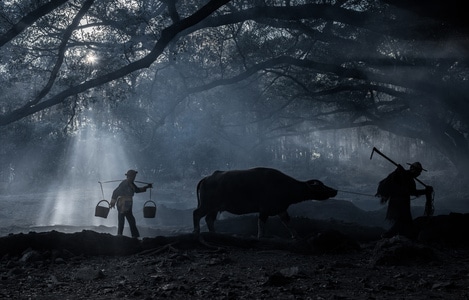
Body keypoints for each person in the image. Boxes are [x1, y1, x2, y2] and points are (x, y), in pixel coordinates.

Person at [376, 162, 433, 239]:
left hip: (402, 203)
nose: (419, 174)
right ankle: (387, 236)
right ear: (413, 170)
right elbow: (411, 191)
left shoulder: (407, 177)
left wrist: (425, 191)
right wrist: (425, 191)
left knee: (404, 222)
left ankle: (394, 236)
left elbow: (412, 192)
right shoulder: (403, 175)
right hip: (398, 203)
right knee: (403, 222)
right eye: (418, 172)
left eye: (419, 172)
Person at [110, 170, 152, 238]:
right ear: (129, 176)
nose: (134, 178)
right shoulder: (124, 183)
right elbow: (115, 192)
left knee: (131, 220)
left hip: (128, 204)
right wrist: (112, 203)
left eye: (134, 177)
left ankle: (134, 236)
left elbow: (137, 190)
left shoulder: (131, 183)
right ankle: (120, 236)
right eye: (133, 176)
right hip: (122, 203)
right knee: (122, 221)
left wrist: (147, 187)